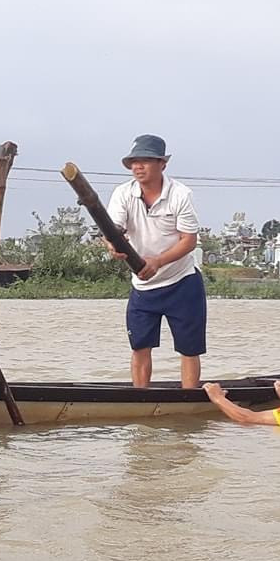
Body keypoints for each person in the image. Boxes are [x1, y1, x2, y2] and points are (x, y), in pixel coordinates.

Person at [106, 133, 205, 388]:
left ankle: (188, 401)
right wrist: (112, 245)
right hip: (143, 286)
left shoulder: (181, 194)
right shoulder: (123, 194)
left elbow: (188, 240)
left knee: (189, 349)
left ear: (162, 164)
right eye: (134, 162)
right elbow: (113, 230)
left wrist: (158, 261)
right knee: (139, 347)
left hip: (182, 282)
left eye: (145, 161)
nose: (138, 167)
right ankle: (141, 400)